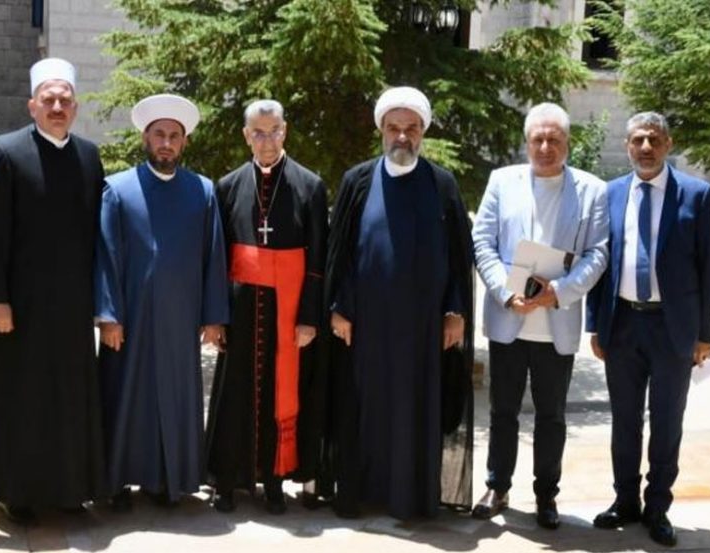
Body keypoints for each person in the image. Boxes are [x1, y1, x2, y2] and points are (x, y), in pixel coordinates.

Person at [325, 86, 475, 520]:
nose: (402, 137)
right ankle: (363, 493)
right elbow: (340, 252)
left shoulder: (442, 184)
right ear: (382, 131)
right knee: (365, 408)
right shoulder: (358, 181)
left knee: (414, 409)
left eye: (411, 128)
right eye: (394, 128)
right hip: (365, 325)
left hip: (422, 327)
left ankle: (410, 497)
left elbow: (458, 256)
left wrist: (455, 312)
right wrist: (339, 307)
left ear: (423, 132)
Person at [0, 58, 105, 524]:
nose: (57, 107)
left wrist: (100, 301)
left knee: (70, 398)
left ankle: (70, 490)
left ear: (76, 107)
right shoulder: (5, 152)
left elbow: (98, 235)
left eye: (65, 100)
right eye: (48, 100)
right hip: (20, 308)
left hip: (72, 307)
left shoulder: (88, 156)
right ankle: (18, 493)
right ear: (32, 106)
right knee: (22, 398)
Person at [587, 112, 710, 547]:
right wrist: (596, 325)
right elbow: (600, 263)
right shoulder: (610, 193)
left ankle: (657, 507)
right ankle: (625, 500)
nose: (646, 147)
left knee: (667, 421)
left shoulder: (697, 195)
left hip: (673, 329)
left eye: (654, 139)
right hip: (623, 324)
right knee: (624, 420)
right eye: (638, 140)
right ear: (627, 145)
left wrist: (706, 335)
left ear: (668, 144)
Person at [470, 103, 609, 529]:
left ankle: (546, 495)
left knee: (551, 417)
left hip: (556, 323)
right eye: (538, 139)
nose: (546, 147)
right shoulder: (501, 181)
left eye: (554, 139)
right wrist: (505, 291)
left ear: (568, 142)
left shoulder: (592, 190)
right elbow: (483, 242)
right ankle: (497, 486)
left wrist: (559, 292)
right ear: (526, 142)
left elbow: (598, 253)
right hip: (509, 319)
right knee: (502, 412)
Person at [94, 93, 230, 509]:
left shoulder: (202, 191)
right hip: (129, 318)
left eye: (174, 136)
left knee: (172, 398)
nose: (166, 143)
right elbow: (105, 255)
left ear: (184, 142)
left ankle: (164, 481)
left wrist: (213, 317)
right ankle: (117, 483)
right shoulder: (117, 189)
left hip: (179, 316)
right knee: (125, 397)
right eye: (159, 135)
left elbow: (213, 256)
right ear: (146, 139)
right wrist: (108, 315)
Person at [205, 100, 329, 514]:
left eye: (274, 130)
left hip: (288, 312)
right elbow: (217, 258)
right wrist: (216, 317)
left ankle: (274, 481)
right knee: (234, 394)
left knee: (281, 393)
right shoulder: (227, 186)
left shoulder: (310, 186)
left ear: (285, 131)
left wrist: (309, 318)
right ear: (246, 136)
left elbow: (318, 261)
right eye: (258, 132)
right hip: (239, 311)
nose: (267, 140)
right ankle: (226, 481)